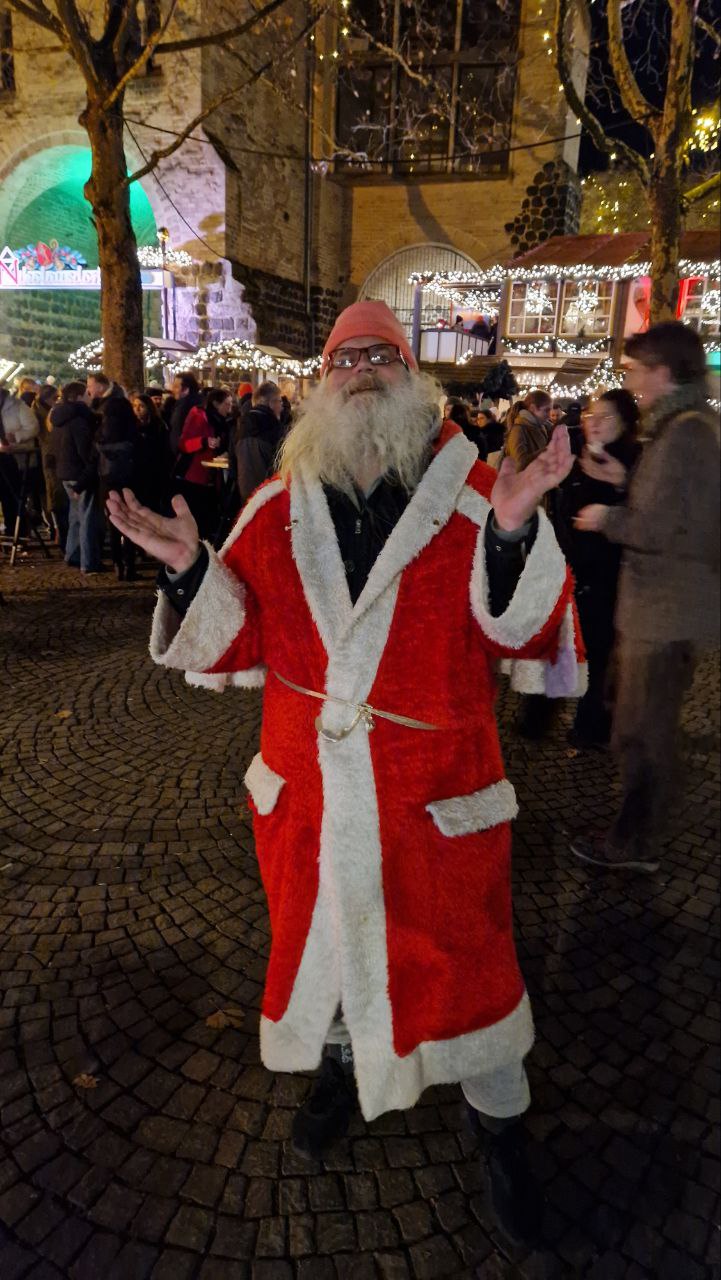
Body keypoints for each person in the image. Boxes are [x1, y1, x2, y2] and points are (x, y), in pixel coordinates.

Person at [108, 299, 584, 1245]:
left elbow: (526, 634)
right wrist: (188, 570)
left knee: (469, 973)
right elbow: (236, 636)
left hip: (434, 794)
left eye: (381, 354)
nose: (361, 367)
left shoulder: (477, 496)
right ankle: (334, 1068)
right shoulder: (276, 508)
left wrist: (510, 534)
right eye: (342, 357)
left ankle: (500, 1131)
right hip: (313, 798)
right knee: (323, 943)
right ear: (320, 382)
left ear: (413, 375)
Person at [571, 322, 720, 872]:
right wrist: (622, 481)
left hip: (664, 615)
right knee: (636, 724)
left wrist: (606, 516)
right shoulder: (683, 427)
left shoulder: (688, 434)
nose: (631, 382)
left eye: (636, 371)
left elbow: (669, 529)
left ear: (663, 372)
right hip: (656, 612)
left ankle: (632, 844)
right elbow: (671, 508)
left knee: (643, 732)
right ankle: (633, 833)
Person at [554, 390, 641, 749]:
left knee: (599, 652)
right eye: (592, 416)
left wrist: (621, 485)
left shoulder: (635, 460)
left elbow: (649, 519)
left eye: (607, 418)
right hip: (576, 569)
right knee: (581, 646)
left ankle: (592, 725)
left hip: (613, 575)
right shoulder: (581, 455)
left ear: (625, 424)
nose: (596, 424)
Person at [51, 381, 102, 574]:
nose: (90, 397)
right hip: (79, 474)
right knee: (87, 518)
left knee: (75, 516)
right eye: (87, 394)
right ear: (79, 396)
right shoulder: (79, 421)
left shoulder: (58, 418)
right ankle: (88, 562)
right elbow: (85, 452)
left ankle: (72, 554)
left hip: (64, 472)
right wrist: (90, 468)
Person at [176, 386, 231, 539]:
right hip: (194, 476)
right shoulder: (198, 416)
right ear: (216, 404)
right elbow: (184, 444)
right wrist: (204, 442)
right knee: (197, 519)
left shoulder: (222, 422)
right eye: (227, 404)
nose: (230, 408)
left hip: (212, 477)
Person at [97, 398, 140, 580]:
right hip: (129, 482)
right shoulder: (133, 431)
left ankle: (117, 564)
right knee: (130, 523)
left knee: (113, 523)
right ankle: (130, 564)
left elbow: (93, 461)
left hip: (108, 483)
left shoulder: (100, 434)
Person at [234, 380, 285, 507]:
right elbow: (281, 463)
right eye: (280, 401)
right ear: (271, 403)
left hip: (245, 494)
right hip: (270, 494)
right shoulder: (274, 428)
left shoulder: (239, 425)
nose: (282, 407)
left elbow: (232, 463)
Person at [33, 384, 67, 548]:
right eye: (55, 398)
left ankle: (59, 530)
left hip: (52, 455)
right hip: (51, 456)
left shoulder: (42, 410)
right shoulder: (41, 413)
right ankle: (58, 530)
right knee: (55, 494)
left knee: (56, 494)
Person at [132, 393, 172, 512]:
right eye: (134, 405)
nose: (137, 409)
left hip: (154, 472)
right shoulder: (132, 426)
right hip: (137, 472)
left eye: (141, 406)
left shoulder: (158, 426)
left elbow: (164, 451)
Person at [504, 390, 551, 474]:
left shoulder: (542, 427)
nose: (549, 415)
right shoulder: (518, 430)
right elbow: (519, 465)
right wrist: (548, 450)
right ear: (532, 408)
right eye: (546, 410)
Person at [168, 372, 203, 457]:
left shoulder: (183, 406)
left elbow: (177, 431)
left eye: (176, 387)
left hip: (184, 453)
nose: (173, 390)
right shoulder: (201, 403)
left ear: (186, 389)